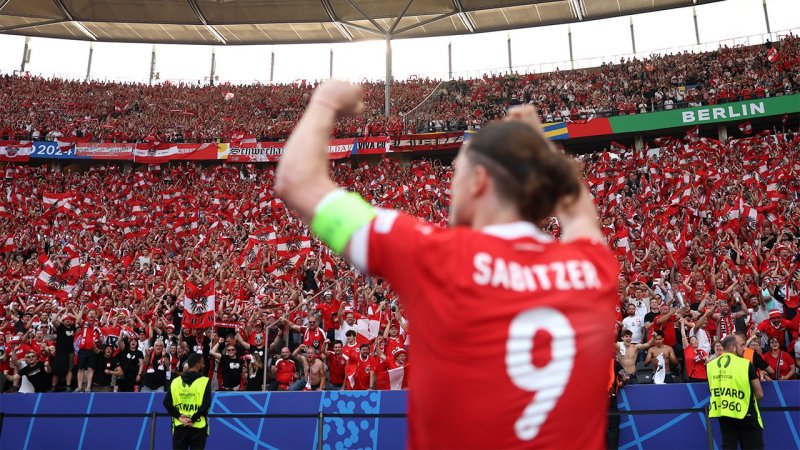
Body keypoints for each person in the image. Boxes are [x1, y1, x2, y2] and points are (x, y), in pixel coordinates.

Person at [276, 81, 618, 448]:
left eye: (456, 174)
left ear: (478, 181)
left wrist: (326, 99)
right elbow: (579, 213)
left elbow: (297, 181)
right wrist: (539, 150)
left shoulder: (434, 254)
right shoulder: (592, 267)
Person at [706, 334, 763, 450]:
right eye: (741, 345)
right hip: (747, 414)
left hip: (724, 413)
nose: (744, 348)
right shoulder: (745, 364)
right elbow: (759, 394)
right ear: (733, 347)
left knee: (728, 446)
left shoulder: (710, 366)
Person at [163, 353, 212, 450]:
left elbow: (166, 402)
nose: (204, 365)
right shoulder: (204, 381)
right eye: (202, 363)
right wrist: (192, 419)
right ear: (198, 364)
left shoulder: (175, 381)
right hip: (198, 426)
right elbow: (206, 405)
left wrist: (179, 416)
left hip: (180, 425)